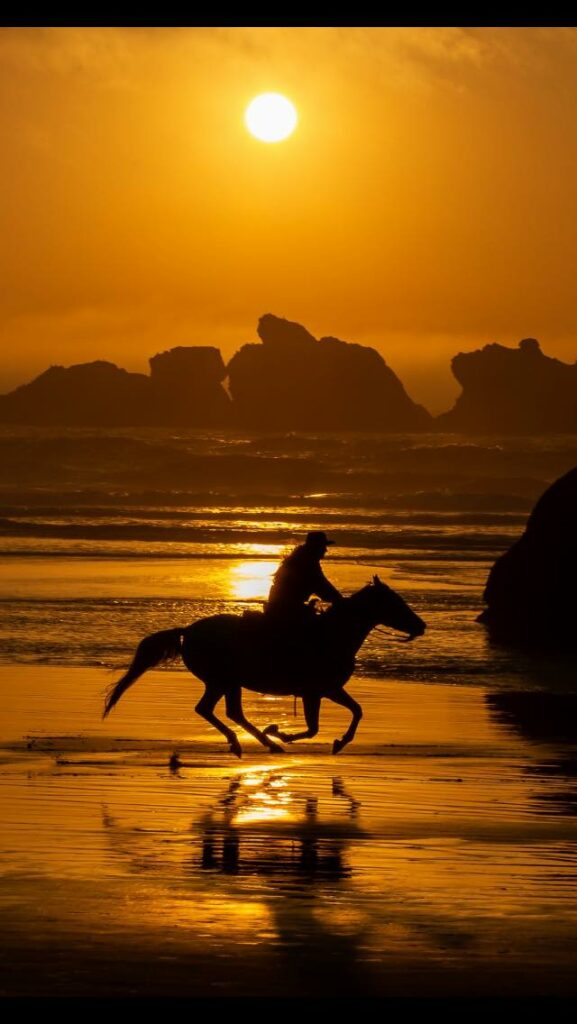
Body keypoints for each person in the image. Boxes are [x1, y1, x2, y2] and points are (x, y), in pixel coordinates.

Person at [265, 531, 343, 622]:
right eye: (323, 546)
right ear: (316, 548)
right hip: (287, 612)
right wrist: (341, 601)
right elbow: (324, 588)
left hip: (278, 609)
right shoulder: (308, 564)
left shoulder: (298, 559)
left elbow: (323, 587)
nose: (325, 550)